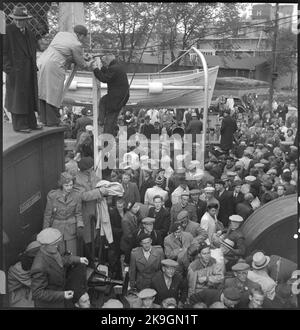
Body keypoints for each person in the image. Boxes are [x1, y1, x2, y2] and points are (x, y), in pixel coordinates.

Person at [38, 25, 92, 126]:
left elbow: (63, 51)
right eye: (84, 37)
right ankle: (53, 120)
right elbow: (82, 64)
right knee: (53, 93)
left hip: (42, 60)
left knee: (43, 91)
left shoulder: (61, 34)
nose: (83, 40)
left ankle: (44, 119)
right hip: (54, 65)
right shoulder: (76, 44)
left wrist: (78, 57)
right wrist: (89, 63)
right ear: (80, 35)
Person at [3, 5, 42, 133]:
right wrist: (9, 69)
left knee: (29, 96)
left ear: (27, 20)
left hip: (29, 70)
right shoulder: (7, 30)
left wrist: (33, 67)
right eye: (17, 19)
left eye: (22, 19)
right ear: (13, 19)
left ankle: (31, 123)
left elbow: (32, 50)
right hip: (16, 72)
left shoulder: (29, 32)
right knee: (17, 99)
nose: (19, 22)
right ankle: (19, 125)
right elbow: (3, 52)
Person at [30, 228, 89, 308]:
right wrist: (62, 295)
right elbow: (38, 293)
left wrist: (79, 259)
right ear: (44, 245)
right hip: (49, 305)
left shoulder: (52, 250)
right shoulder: (39, 266)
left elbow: (61, 260)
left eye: (57, 243)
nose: (57, 246)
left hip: (60, 297)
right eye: (54, 244)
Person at [43, 172, 84, 256]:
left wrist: (80, 225)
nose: (69, 188)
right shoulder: (52, 196)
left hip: (71, 228)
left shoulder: (77, 195)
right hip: (57, 228)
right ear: (61, 185)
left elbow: (78, 213)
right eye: (66, 185)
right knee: (59, 254)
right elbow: (47, 215)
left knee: (72, 253)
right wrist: (45, 232)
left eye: (71, 185)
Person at [92, 54, 129, 135]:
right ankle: (102, 122)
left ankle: (101, 122)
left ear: (108, 61)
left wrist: (95, 69)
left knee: (109, 118)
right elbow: (108, 74)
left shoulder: (113, 68)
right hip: (121, 97)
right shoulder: (118, 67)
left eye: (104, 62)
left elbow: (104, 78)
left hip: (115, 99)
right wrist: (101, 67)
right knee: (111, 118)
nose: (104, 63)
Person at [7, 241, 41, 307]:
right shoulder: (18, 268)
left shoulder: (28, 263)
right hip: (18, 296)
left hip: (27, 291)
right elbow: (35, 284)